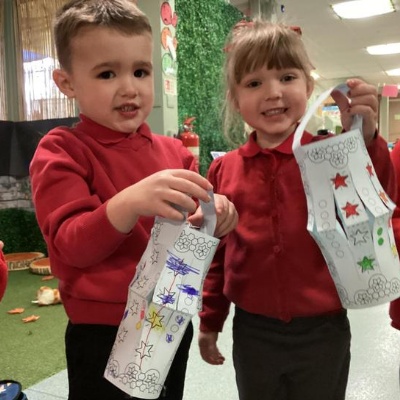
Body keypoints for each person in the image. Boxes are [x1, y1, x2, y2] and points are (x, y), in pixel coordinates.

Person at [29, 1, 237, 399]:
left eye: (141, 71)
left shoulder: (175, 152)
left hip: (169, 317)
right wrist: (129, 202)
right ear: (67, 82)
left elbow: (195, 234)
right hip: (102, 330)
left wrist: (218, 216)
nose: (129, 87)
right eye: (107, 73)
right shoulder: (62, 150)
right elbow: (70, 244)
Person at [198, 19, 397, 400]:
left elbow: (376, 201)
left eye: (287, 77)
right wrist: (210, 320)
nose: (273, 92)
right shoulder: (224, 170)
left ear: (308, 86)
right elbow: (218, 253)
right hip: (253, 332)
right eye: (254, 83)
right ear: (235, 99)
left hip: (323, 332)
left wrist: (367, 139)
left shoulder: (330, 155)